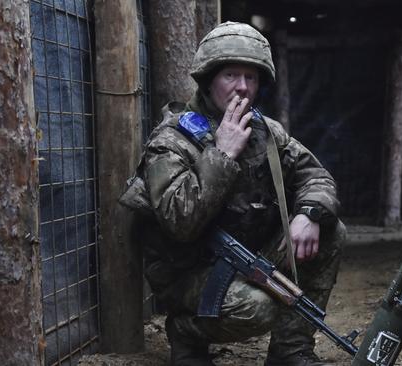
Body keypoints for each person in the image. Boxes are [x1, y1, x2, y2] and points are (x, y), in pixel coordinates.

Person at [121, 21, 345, 366]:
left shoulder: (266, 132)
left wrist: (310, 213)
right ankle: (186, 333)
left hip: (246, 254)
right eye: (231, 75)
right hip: (188, 271)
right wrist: (222, 155)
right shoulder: (172, 141)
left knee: (331, 231)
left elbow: (314, 175)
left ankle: (290, 351)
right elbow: (179, 221)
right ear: (209, 79)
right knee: (257, 308)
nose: (242, 87)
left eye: (251, 77)